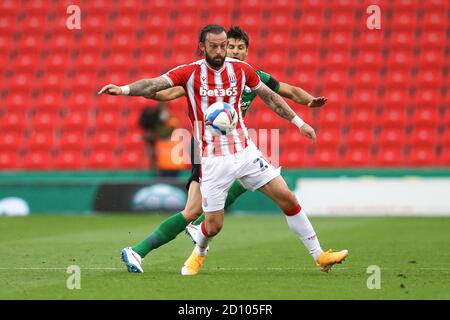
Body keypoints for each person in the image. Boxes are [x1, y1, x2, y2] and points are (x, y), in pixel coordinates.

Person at [99, 24, 348, 275]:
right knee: (203, 218)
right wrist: (124, 89)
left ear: (247, 51)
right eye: (222, 46)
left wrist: (300, 122)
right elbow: (156, 87)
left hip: (245, 151)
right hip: (210, 156)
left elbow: (275, 96)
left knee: (287, 198)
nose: (226, 51)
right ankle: (175, 250)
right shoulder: (190, 73)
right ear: (203, 47)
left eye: (232, 47)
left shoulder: (246, 72)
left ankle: (320, 255)